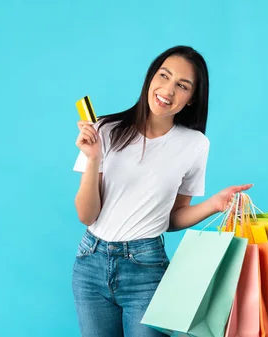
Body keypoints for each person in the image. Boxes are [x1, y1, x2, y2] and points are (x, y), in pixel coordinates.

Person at [71, 45, 253, 337]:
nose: (168, 90)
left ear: (192, 98)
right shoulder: (104, 129)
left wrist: (215, 204)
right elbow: (86, 214)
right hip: (90, 263)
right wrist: (93, 158)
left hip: (146, 268)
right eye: (164, 76)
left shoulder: (195, 145)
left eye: (182, 85)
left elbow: (172, 219)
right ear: (150, 77)